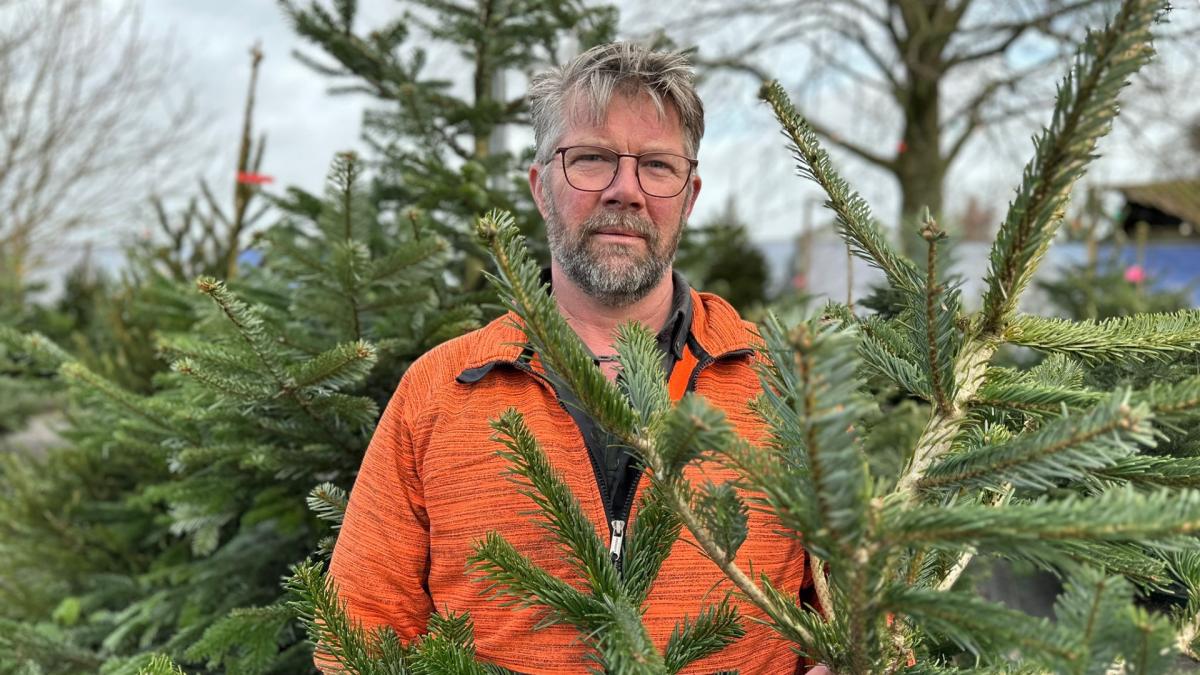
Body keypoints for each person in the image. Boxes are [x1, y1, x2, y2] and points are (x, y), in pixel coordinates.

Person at [326, 42, 818, 674]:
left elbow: (868, 608)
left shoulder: (787, 385)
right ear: (540, 187)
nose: (625, 191)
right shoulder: (440, 391)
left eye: (657, 167)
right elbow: (358, 627)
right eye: (591, 159)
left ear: (689, 197)